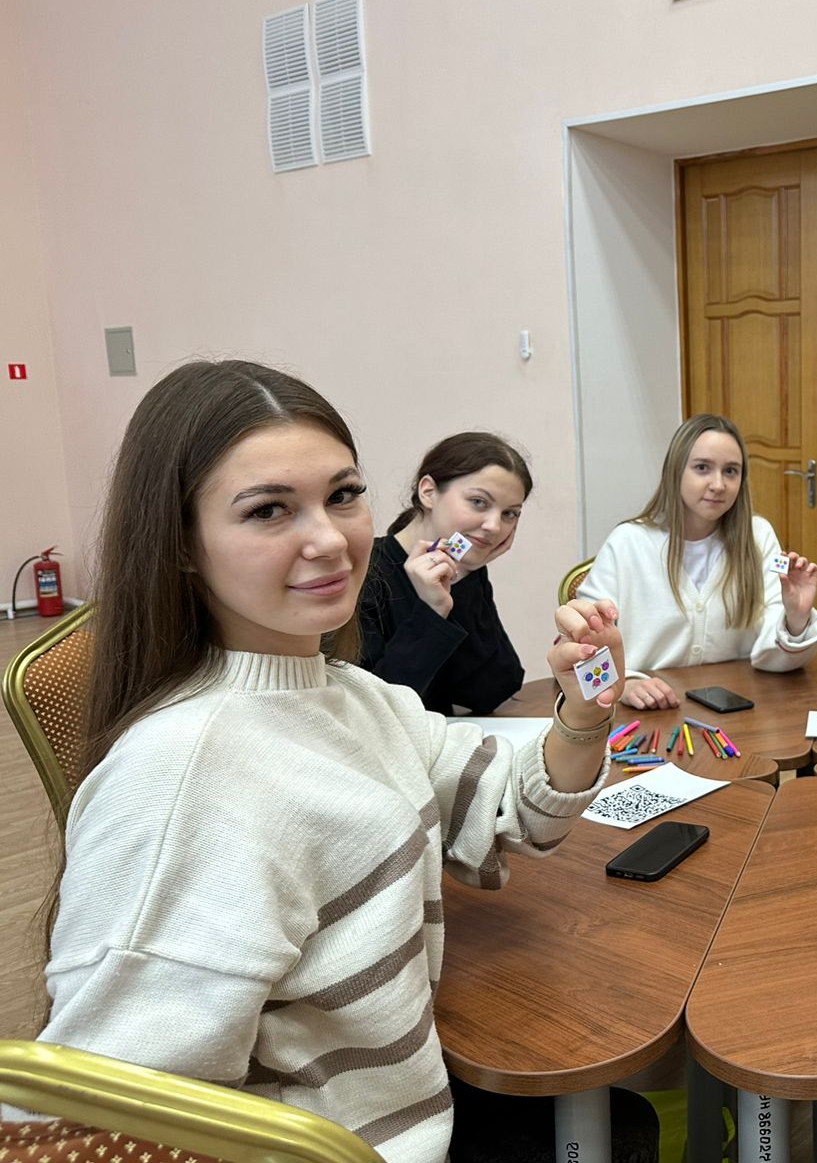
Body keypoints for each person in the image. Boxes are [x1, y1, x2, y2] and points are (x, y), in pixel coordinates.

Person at [21, 361, 641, 1163]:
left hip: (412, 1102)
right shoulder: (177, 781)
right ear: (180, 545)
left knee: (616, 1121)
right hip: (355, 1146)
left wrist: (584, 716)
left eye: (343, 495)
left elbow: (510, 810)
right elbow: (102, 1126)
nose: (330, 540)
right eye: (269, 509)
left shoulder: (354, 697)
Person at [579, 413, 817, 710]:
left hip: (741, 712)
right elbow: (581, 647)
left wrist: (795, 619)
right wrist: (622, 685)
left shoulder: (760, 536)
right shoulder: (627, 542)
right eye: (702, 468)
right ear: (676, 470)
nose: (718, 484)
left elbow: (776, 656)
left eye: (730, 471)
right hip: (646, 716)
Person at [358, 432, 531, 714]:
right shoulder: (364, 573)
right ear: (428, 492)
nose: (494, 526)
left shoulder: (463, 570)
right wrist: (432, 610)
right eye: (478, 502)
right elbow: (378, 709)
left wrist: (465, 577)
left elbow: (495, 689)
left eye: (510, 513)